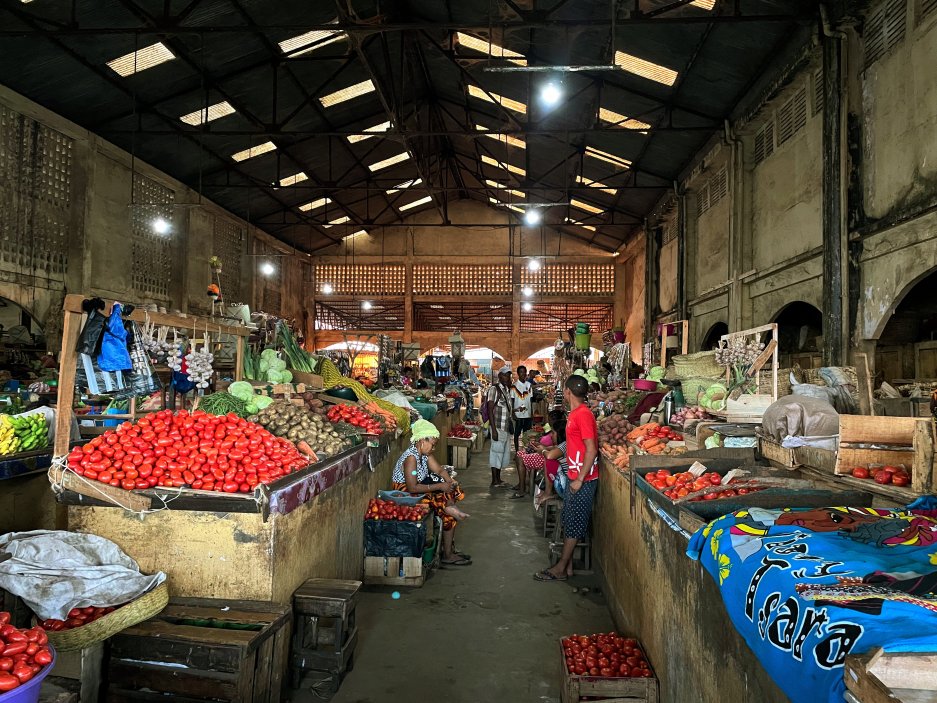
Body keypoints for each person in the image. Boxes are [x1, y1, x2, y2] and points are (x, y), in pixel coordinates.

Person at [535, 375, 599, 582]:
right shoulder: (575, 414)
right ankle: (567, 566)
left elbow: (591, 449)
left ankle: (561, 568)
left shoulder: (583, 415)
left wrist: (580, 478)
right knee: (569, 521)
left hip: (583, 479)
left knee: (574, 525)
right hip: (574, 476)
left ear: (568, 391)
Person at [391, 419, 471, 566]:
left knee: (451, 490)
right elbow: (412, 487)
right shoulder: (411, 458)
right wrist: (440, 486)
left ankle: (450, 507)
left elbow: (440, 470)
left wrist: (449, 481)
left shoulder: (425, 454)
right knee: (444, 507)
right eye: (432, 444)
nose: (433, 448)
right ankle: (447, 554)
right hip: (405, 494)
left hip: (418, 489)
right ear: (422, 440)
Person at [485, 365, 515, 489]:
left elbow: (505, 409)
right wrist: (493, 429)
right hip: (497, 426)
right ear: (499, 376)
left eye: (508, 375)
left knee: (501, 454)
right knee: (496, 453)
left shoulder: (506, 390)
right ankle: (494, 481)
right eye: (504, 375)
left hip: (505, 427)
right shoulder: (494, 389)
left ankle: (498, 479)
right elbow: (490, 409)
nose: (507, 377)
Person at [533, 409, 567, 509]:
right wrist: (542, 448)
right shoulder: (563, 445)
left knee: (550, 461)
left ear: (559, 434)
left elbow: (549, 455)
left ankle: (548, 492)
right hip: (564, 484)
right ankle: (547, 491)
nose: (551, 435)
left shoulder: (564, 446)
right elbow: (552, 449)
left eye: (553, 433)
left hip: (564, 488)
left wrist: (543, 451)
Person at [511, 365, 533, 453]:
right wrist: (513, 413)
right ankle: (517, 451)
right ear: (518, 374)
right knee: (517, 434)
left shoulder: (529, 385)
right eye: (521, 372)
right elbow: (512, 401)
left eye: (524, 372)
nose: (523, 374)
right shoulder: (514, 386)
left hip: (527, 414)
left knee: (527, 434)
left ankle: (526, 452)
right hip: (518, 414)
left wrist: (531, 413)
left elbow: (530, 400)